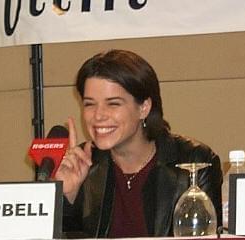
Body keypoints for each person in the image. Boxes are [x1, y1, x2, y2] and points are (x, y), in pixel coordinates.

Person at [54, 49, 223, 238]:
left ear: (144, 108)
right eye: (89, 104)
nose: (98, 116)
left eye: (113, 104)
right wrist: (67, 196)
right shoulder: (80, 163)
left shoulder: (194, 161)